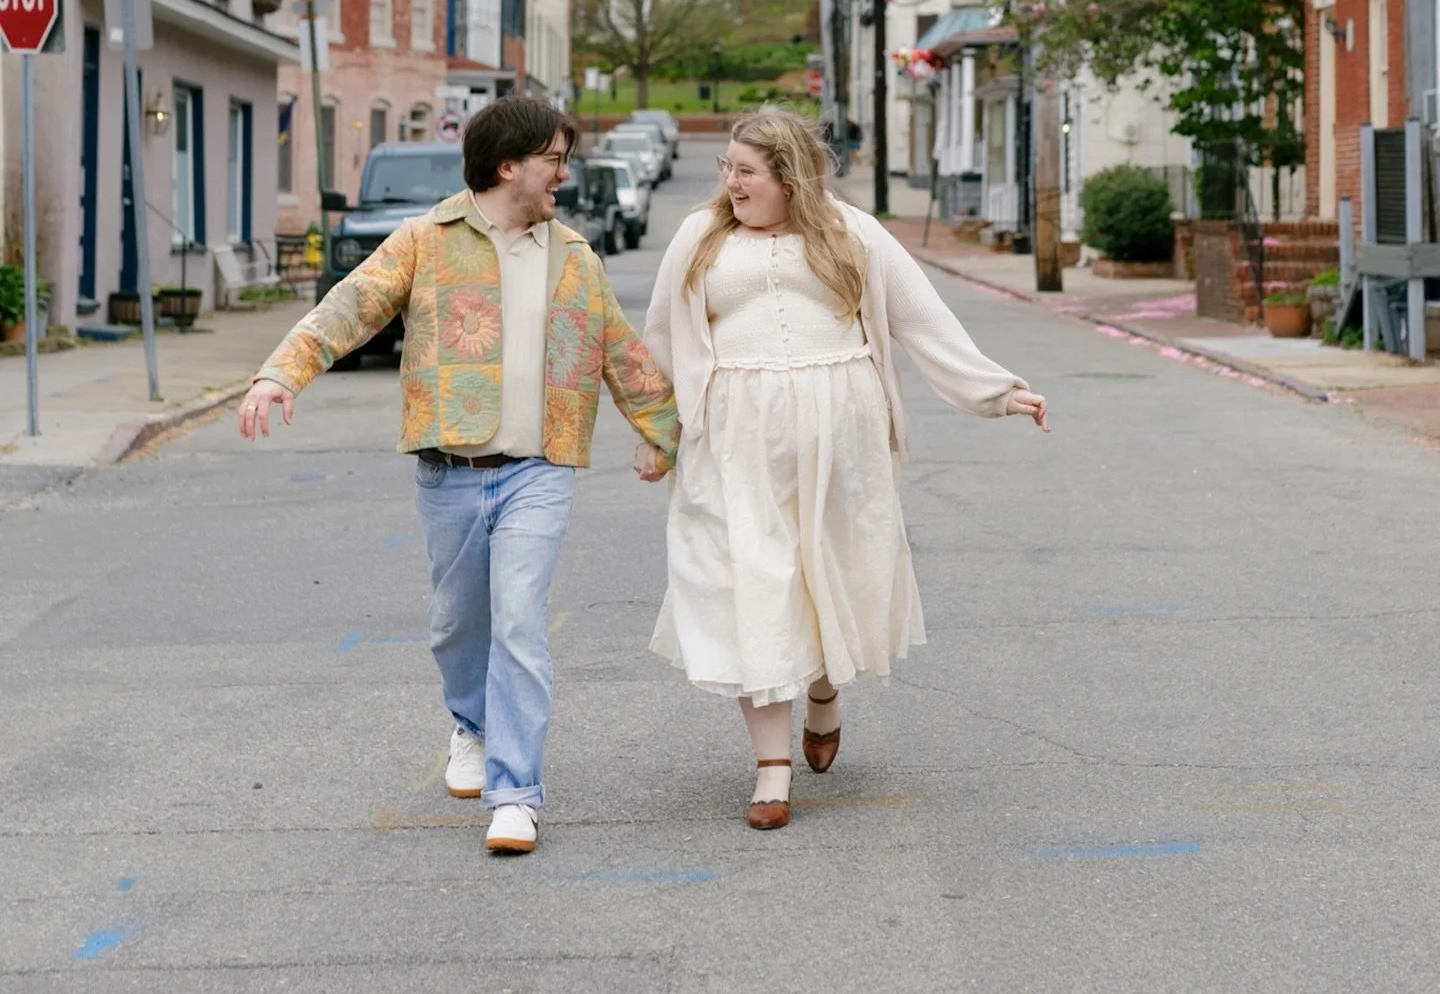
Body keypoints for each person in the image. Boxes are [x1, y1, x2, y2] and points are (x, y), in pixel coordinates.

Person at [240, 97, 677, 856]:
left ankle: (516, 795)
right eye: (554, 160)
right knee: (456, 625)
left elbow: (620, 350)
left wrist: (662, 433)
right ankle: (471, 724)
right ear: (509, 164)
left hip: (539, 468)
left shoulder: (574, 255)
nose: (565, 175)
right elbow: (350, 309)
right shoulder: (424, 241)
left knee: (517, 620)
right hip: (450, 471)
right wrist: (281, 374)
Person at [640, 107, 1048, 831]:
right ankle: (771, 767)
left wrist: (999, 392)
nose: (729, 182)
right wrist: (657, 433)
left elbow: (923, 320)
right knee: (747, 580)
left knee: (834, 570)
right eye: (727, 168)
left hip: (844, 431)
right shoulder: (700, 238)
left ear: (789, 177)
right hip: (733, 436)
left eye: (745, 170)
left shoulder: (853, 233)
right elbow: (663, 340)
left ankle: (824, 690)